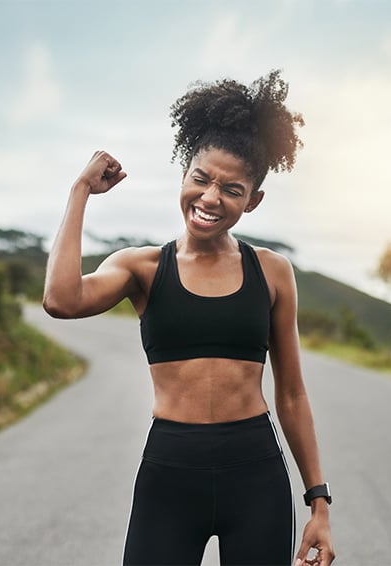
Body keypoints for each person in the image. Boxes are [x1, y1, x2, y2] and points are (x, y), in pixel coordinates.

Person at [43, 70, 335, 566]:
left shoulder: (273, 273)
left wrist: (319, 502)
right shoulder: (142, 268)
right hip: (170, 473)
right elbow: (61, 300)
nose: (210, 198)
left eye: (232, 189)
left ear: (253, 200)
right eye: (201, 179)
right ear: (184, 175)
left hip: (257, 476)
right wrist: (79, 193)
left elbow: (291, 393)